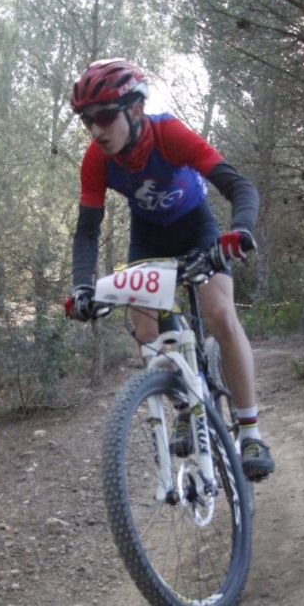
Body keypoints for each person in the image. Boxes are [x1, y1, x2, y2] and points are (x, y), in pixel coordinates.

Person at [64, 58, 274, 481]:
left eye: (104, 117)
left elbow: (239, 186)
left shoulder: (169, 134)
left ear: (135, 110)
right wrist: (83, 287)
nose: (96, 129)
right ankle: (184, 405)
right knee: (145, 327)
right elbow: (87, 231)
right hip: (149, 237)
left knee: (219, 314)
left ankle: (250, 430)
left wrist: (239, 231)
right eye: (87, 121)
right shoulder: (96, 160)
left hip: (197, 228)